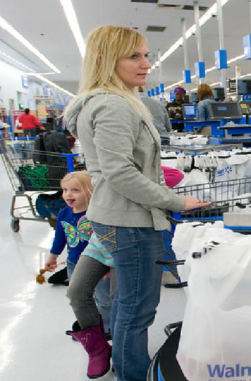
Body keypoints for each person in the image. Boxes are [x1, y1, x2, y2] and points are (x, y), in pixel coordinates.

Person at [63, 25, 210, 381]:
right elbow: (121, 174)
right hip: (130, 220)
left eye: (146, 55)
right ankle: (133, 374)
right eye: (134, 56)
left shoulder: (101, 102)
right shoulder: (114, 106)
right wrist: (176, 200)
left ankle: (121, 363)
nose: (146, 64)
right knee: (136, 308)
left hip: (114, 216)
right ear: (104, 60)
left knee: (125, 303)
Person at [65, 166, 185, 379]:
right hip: (100, 243)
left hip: (129, 241)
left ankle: (123, 356)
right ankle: (98, 349)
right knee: (76, 292)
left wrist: (134, 167)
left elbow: (175, 175)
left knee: (120, 302)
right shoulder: (96, 173)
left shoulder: (128, 168)